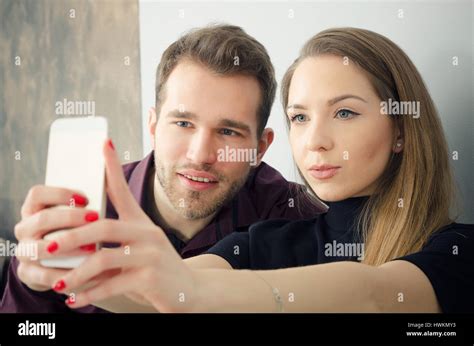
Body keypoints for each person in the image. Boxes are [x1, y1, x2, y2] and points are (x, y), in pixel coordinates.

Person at [12, 27, 474, 313]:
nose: (315, 140)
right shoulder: (271, 239)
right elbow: (159, 300)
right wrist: (62, 268)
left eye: (345, 113)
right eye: (300, 117)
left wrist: (188, 290)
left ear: (401, 131)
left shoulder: (458, 251)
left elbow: (375, 295)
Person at [0, 24, 325, 313]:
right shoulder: (75, 213)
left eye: (228, 132)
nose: (200, 155)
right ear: (153, 126)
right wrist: (30, 279)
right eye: (183, 123)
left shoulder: (296, 217)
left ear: (260, 148)